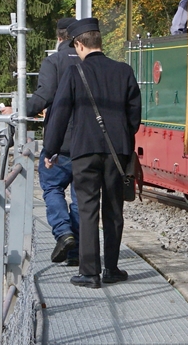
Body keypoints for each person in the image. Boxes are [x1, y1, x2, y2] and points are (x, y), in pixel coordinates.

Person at [43, 17, 142, 289]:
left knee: (87, 209)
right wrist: (123, 137)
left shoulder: (74, 73)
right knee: (114, 208)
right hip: (117, 151)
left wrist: (50, 150)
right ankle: (112, 268)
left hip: (84, 151)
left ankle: (89, 273)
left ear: (77, 44)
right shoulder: (124, 71)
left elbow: (60, 114)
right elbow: (135, 114)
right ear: (100, 41)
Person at [24, 17, 79, 265]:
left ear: (58, 37)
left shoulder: (54, 61)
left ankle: (63, 232)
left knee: (52, 188)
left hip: (60, 142)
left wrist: (19, 109)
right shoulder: (91, 60)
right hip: (88, 144)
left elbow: (43, 96)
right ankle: (78, 252)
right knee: (81, 199)